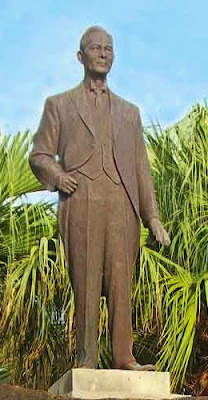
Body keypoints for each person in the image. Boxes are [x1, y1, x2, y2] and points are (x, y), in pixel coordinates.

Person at [29, 26, 171, 370]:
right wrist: (59, 178)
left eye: (109, 48)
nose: (103, 52)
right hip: (81, 201)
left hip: (123, 206)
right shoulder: (59, 105)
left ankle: (125, 357)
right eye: (96, 48)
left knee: (122, 283)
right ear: (81, 57)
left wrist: (152, 218)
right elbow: (39, 156)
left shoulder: (129, 112)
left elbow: (141, 170)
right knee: (87, 282)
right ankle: (87, 359)